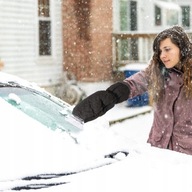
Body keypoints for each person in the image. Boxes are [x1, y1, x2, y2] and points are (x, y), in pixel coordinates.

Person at [72, 25, 192, 155]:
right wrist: (111, 95)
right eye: (160, 51)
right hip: (158, 152)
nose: (163, 55)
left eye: (167, 49)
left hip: (186, 157)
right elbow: (135, 83)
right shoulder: (159, 72)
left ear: (182, 49)